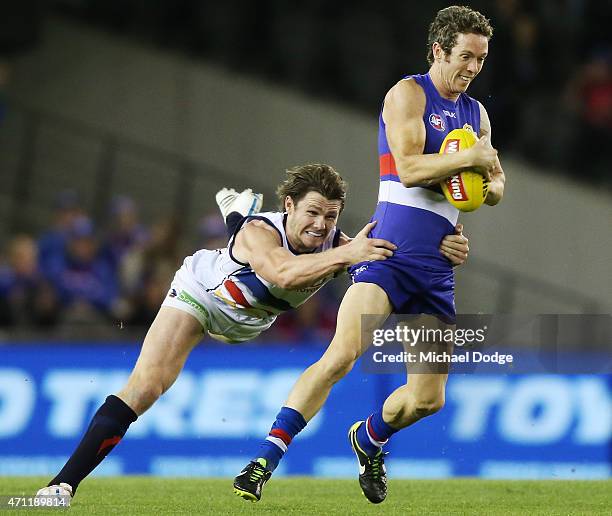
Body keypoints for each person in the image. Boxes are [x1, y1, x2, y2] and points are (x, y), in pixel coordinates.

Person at [37, 163, 466, 500]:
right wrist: (347, 254)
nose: (321, 225)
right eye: (312, 212)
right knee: (148, 385)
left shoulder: (337, 242)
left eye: (330, 216)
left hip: (249, 323)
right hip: (202, 297)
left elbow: (387, 269)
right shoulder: (264, 232)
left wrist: (443, 247)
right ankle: (62, 485)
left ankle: (235, 211)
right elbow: (282, 270)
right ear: (289, 206)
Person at [235, 6, 505, 504]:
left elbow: (495, 188)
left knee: (428, 399)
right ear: (438, 50)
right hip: (387, 255)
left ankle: (369, 436)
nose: (473, 68)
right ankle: (264, 460)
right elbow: (407, 167)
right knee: (341, 356)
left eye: (481, 59)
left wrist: (480, 188)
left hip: (436, 269)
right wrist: (472, 159)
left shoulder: (477, 114)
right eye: (465, 56)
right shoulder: (407, 94)